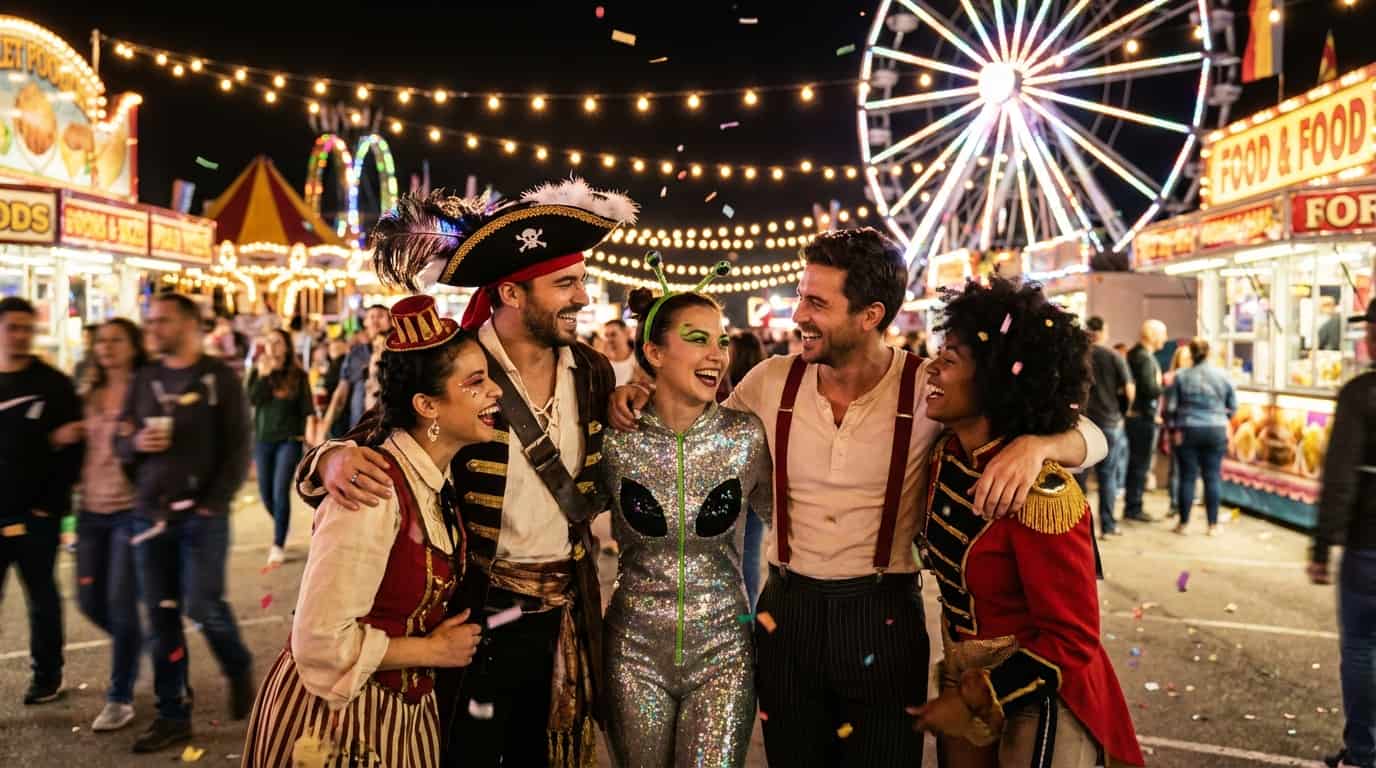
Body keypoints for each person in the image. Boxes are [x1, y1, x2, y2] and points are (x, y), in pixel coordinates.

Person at [610, 228, 1107, 767]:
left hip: (883, 613)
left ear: (870, 315)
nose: (799, 313)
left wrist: (1040, 445)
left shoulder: (927, 386)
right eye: (802, 295)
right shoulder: (771, 380)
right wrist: (636, 391)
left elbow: (1091, 433)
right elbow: (697, 420)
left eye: (816, 302)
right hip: (787, 611)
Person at [297, 178, 637, 768]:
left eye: (580, 281)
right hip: (477, 610)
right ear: (511, 292)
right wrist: (328, 458)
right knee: (471, 749)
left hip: (565, 611)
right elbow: (377, 436)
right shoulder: (456, 363)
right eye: (566, 284)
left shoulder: (591, 371)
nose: (583, 298)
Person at [242, 295, 495, 768]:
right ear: (427, 405)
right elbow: (319, 642)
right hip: (337, 724)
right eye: (476, 382)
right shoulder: (373, 490)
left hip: (403, 716)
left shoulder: (434, 479)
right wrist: (432, 650)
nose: (494, 392)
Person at [911, 277, 1144, 767]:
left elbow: (1073, 639)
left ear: (996, 380)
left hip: (1042, 692)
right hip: (964, 678)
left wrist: (978, 695)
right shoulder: (944, 456)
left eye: (950, 359)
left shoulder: (1042, 494)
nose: (931, 367)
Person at [599, 260, 771, 767]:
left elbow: (799, 518)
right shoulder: (613, 439)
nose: (716, 355)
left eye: (721, 341)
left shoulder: (746, 437)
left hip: (725, 651)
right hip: (632, 651)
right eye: (698, 340)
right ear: (653, 352)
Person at [115, 292, 254, 753]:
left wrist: (214, 503)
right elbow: (123, 441)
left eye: (164, 321)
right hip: (150, 517)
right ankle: (173, 713)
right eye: (151, 321)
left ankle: (236, 664)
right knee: (161, 618)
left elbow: (237, 449)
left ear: (191, 325)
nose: (154, 328)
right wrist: (137, 447)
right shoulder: (146, 378)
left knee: (202, 604)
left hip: (202, 518)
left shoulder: (219, 379)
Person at [0, 296, 83, 706]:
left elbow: (71, 451)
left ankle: (47, 676)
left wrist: (49, 508)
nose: (19, 336)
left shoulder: (53, 385)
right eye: (11, 327)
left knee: (42, 599)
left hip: (37, 517)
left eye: (26, 328)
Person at [1310, 302, 1376, 768]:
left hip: (1368, 542)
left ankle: (1363, 753)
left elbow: (1340, 477)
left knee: (1361, 648)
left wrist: (1322, 543)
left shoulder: (1360, 394)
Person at [76, 318, 148, 731]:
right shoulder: (87, 391)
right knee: (89, 602)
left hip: (129, 510)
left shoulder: (146, 392)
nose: (106, 347)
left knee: (120, 603)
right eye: (101, 341)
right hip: (89, 510)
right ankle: (141, 642)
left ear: (133, 345)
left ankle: (119, 696)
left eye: (116, 340)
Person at [246, 328, 314, 566]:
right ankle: (281, 524)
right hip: (263, 440)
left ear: (286, 346)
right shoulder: (259, 371)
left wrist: (310, 437)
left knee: (279, 491)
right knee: (265, 495)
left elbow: (307, 409)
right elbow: (252, 399)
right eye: (269, 342)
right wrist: (265, 375)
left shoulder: (298, 375)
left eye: (277, 342)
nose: (273, 346)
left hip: (289, 440)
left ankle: (278, 543)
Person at [1164, 337, 1237, 535]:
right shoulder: (1223, 375)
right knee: (1212, 477)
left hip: (1188, 429)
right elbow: (1233, 406)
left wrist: (1172, 429)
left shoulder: (1181, 375)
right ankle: (1212, 525)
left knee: (1187, 477)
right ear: (1209, 353)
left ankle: (1184, 524)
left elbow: (1170, 407)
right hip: (1216, 429)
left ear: (1191, 354)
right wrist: (1221, 418)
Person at [719, 331, 768, 610]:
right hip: (751, 482)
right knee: (747, 555)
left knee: (743, 555)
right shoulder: (762, 389)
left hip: (739, 483)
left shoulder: (735, 392)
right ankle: (747, 616)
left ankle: (745, 617)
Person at [1081, 316, 1133, 538]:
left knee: (1079, 477)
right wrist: (1122, 412)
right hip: (1110, 423)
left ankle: (1079, 528)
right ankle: (1108, 526)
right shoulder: (1114, 356)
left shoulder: (1077, 355)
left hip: (1081, 425)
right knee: (1108, 476)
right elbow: (1129, 390)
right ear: (1102, 332)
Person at [1123, 319, 1167, 523]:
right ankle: (1134, 507)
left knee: (1135, 464)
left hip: (1134, 419)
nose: (1165, 339)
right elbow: (1149, 389)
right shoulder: (1145, 358)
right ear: (1153, 335)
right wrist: (1165, 384)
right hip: (1142, 420)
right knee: (1140, 465)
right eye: (1163, 334)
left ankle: (1133, 505)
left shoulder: (1134, 354)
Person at [329, 305, 392, 432]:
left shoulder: (398, 353)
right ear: (365, 322)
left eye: (380, 316)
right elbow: (342, 390)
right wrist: (326, 424)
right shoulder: (356, 353)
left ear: (391, 322)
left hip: (388, 422)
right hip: (358, 424)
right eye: (371, 317)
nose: (375, 321)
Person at [602, 318, 639, 386]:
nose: (609, 340)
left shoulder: (638, 361)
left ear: (626, 333)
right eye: (606, 336)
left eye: (613, 334)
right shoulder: (603, 363)